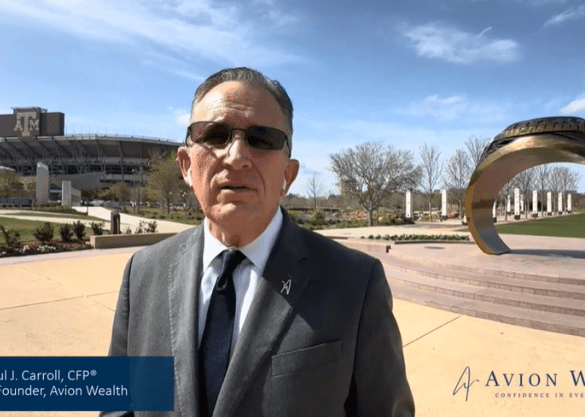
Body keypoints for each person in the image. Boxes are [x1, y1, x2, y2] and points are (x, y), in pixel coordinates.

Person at [103, 67, 414, 416]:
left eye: (262, 139)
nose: (236, 156)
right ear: (186, 165)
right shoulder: (143, 274)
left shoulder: (355, 283)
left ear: (288, 175)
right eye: (215, 134)